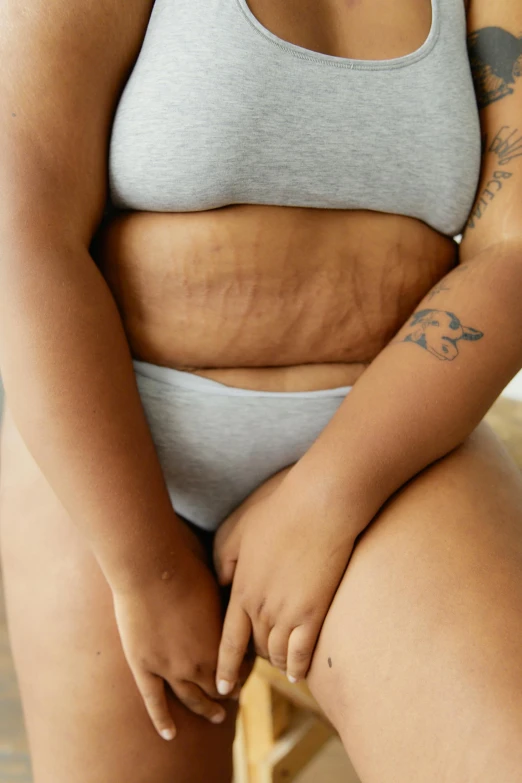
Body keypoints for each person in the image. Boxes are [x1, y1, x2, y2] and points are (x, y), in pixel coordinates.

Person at [1, 0, 522, 780]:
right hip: (117, 461)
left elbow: (513, 250)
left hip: (386, 455)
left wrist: (327, 497)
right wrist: (147, 569)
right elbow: (21, 224)